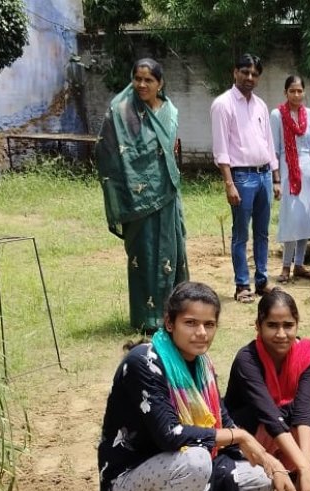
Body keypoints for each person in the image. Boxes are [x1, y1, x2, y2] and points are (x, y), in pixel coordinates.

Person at [87, 282, 303, 491]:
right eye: (191, 323)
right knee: (198, 460)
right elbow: (169, 435)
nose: (201, 332)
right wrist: (241, 436)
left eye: (209, 324)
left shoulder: (202, 365)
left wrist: (270, 461)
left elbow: (223, 421)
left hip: (172, 469)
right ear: (169, 323)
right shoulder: (143, 363)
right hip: (129, 482)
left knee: (259, 479)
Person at [95, 58, 188, 334]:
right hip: (138, 199)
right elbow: (106, 152)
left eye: (148, 80)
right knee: (144, 254)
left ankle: (175, 314)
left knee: (172, 251)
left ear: (160, 83)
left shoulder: (170, 111)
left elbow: (169, 152)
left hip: (167, 195)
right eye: (137, 78)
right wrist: (129, 183)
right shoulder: (121, 111)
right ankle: (147, 318)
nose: (142, 84)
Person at [224, 290, 310, 491]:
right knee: (278, 414)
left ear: (297, 324)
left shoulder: (308, 356)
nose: (281, 334)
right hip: (250, 433)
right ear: (258, 326)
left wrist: (305, 467)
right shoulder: (247, 359)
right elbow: (269, 416)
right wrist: (305, 469)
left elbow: (305, 411)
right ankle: (276, 470)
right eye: (272, 325)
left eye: (288, 325)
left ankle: (296, 470)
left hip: (285, 427)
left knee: (300, 417)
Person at [211, 54, 280, 304]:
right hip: (241, 177)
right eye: (245, 72)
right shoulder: (223, 104)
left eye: (254, 74)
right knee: (241, 234)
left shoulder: (260, 105)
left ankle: (262, 281)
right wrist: (229, 183)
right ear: (235, 72)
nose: (249, 77)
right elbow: (221, 150)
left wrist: (275, 177)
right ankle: (242, 285)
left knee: (262, 232)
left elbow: (268, 142)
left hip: (263, 175)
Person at [270, 75, 310, 284]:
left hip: (308, 169)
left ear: (304, 92)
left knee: (304, 219)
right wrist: (275, 179)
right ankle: (285, 266)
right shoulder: (276, 114)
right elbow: (273, 149)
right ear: (286, 93)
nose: (296, 94)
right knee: (291, 219)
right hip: (287, 170)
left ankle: (299, 265)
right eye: (292, 91)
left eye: (300, 91)